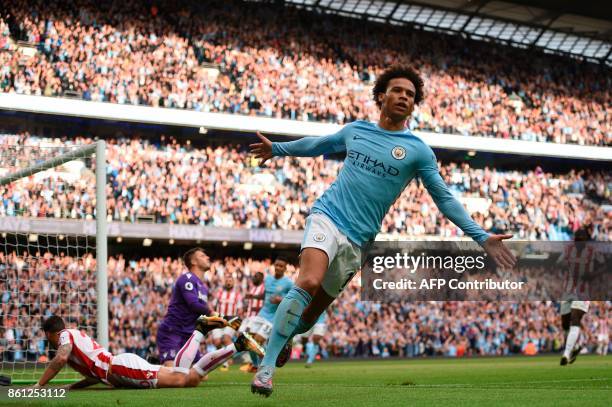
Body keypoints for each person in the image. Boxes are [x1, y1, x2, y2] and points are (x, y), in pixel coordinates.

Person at [249, 64, 516, 396]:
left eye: (411, 95)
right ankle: (266, 369)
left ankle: (287, 336)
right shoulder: (355, 131)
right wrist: (277, 149)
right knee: (308, 280)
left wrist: (481, 235)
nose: (405, 97)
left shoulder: (418, 151)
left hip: (360, 240)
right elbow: (319, 144)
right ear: (381, 96)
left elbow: (443, 198)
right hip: (328, 216)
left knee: (310, 316)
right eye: (398, 91)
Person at [33, 315, 263, 389]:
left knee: (188, 380)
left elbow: (61, 357)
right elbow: (95, 374)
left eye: (48, 338)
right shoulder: (74, 335)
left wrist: (38, 387)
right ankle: (201, 330)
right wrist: (71, 387)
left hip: (123, 368)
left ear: (50, 333)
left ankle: (238, 345)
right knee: (183, 374)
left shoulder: (64, 335)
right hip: (122, 367)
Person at [157, 247, 240, 368]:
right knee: (172, 373)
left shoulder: (203, 287)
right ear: (193, 262)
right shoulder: (187, 279)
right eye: (202, 256)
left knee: (198, 375)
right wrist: (216, 315)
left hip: (189, 335)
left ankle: (155, 362)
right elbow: (193, 305)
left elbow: (201, 313)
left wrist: (219, 321)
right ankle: (150, 367)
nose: (207, 257)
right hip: (173, 331)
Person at [558, 226, 602, 365]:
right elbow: (558, 263)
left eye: (582, 240)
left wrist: (593, 274)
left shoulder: (592, 252)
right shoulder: (568, 250)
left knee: (575, 318)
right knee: (565, 323)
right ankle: (574, 347)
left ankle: (566, 354)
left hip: (583, 291)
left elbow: (605, 264)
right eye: (578, 239)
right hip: (567, 290)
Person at [211, 275, 243, 371]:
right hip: (219, 321)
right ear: (224, 283)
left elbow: (240, 310)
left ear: (233, 283)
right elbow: (212, 306)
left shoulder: (237, 295)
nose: (228, 282)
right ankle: (224, 360)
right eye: (227, 281)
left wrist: (237, 322)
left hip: (231, 321)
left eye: (230, 281)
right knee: (217, 342)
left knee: (226, 339)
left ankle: (226, 362)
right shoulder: (219, 294)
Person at [238, 271, 266, 372]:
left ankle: (261, 364)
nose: (254, 277)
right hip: (249, 317)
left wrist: (252, 297)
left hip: (258, 317)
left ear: (262, 278)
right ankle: (256, 364)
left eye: (256, 276)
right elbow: (251, 303)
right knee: (246, 340)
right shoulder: (252, 288)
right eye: (254, 276)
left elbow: (264, 297)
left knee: (252, 340)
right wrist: (244, 308)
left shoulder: (264, 287)